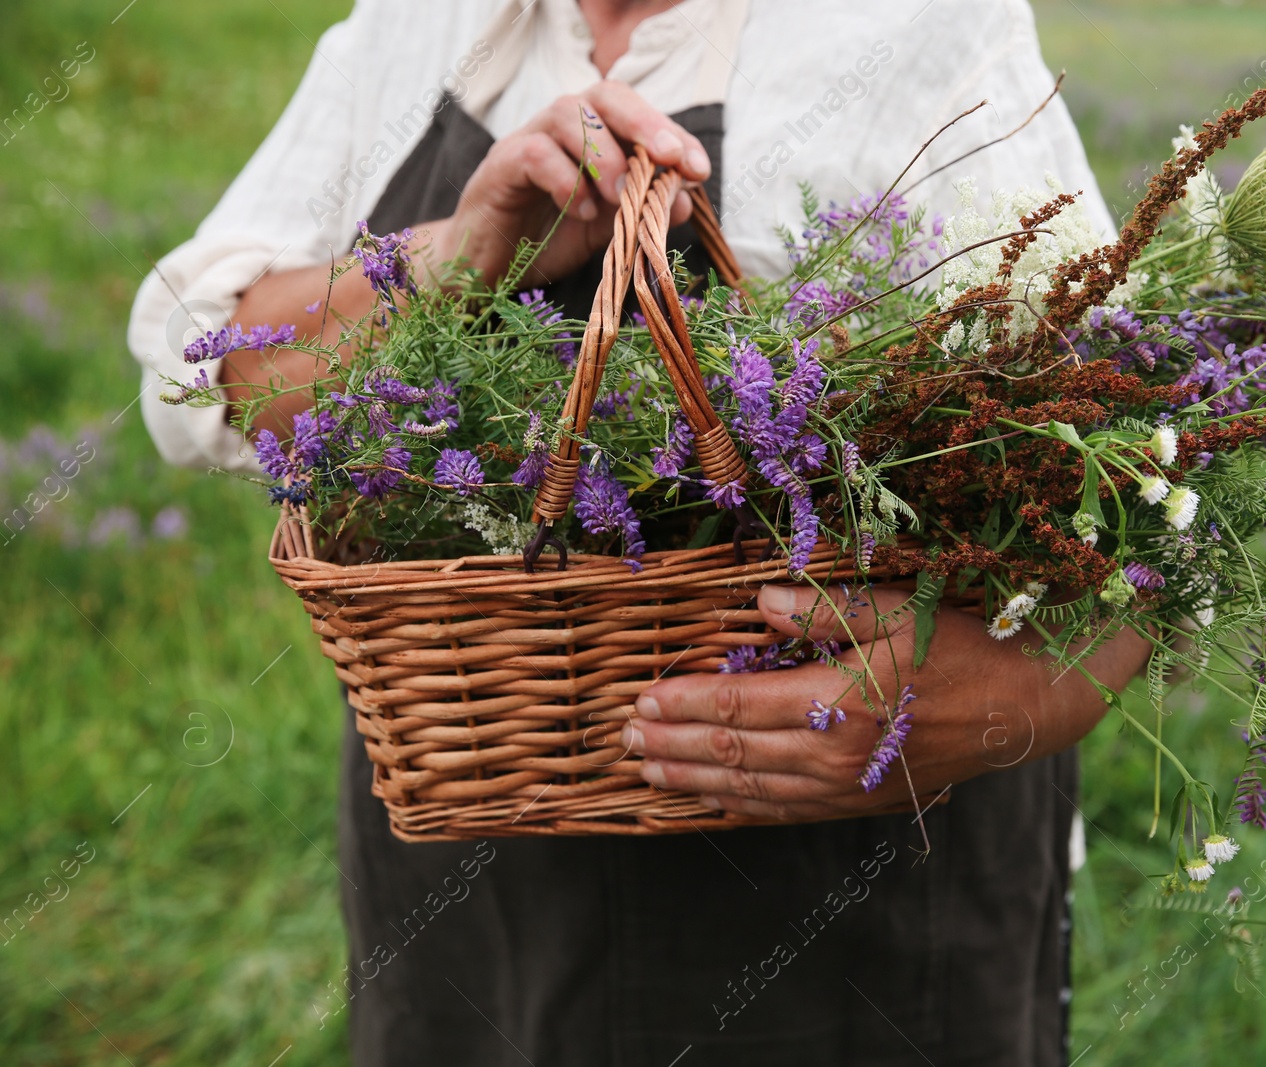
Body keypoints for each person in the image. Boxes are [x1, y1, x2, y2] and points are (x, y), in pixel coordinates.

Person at [127, 1, 1150, 1063]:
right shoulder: (419, 23)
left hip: (858, 906)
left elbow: (1146, 492)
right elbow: (201, 371)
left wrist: (1015, 698)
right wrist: (458, 257)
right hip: (473, 860)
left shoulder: (924, 28)